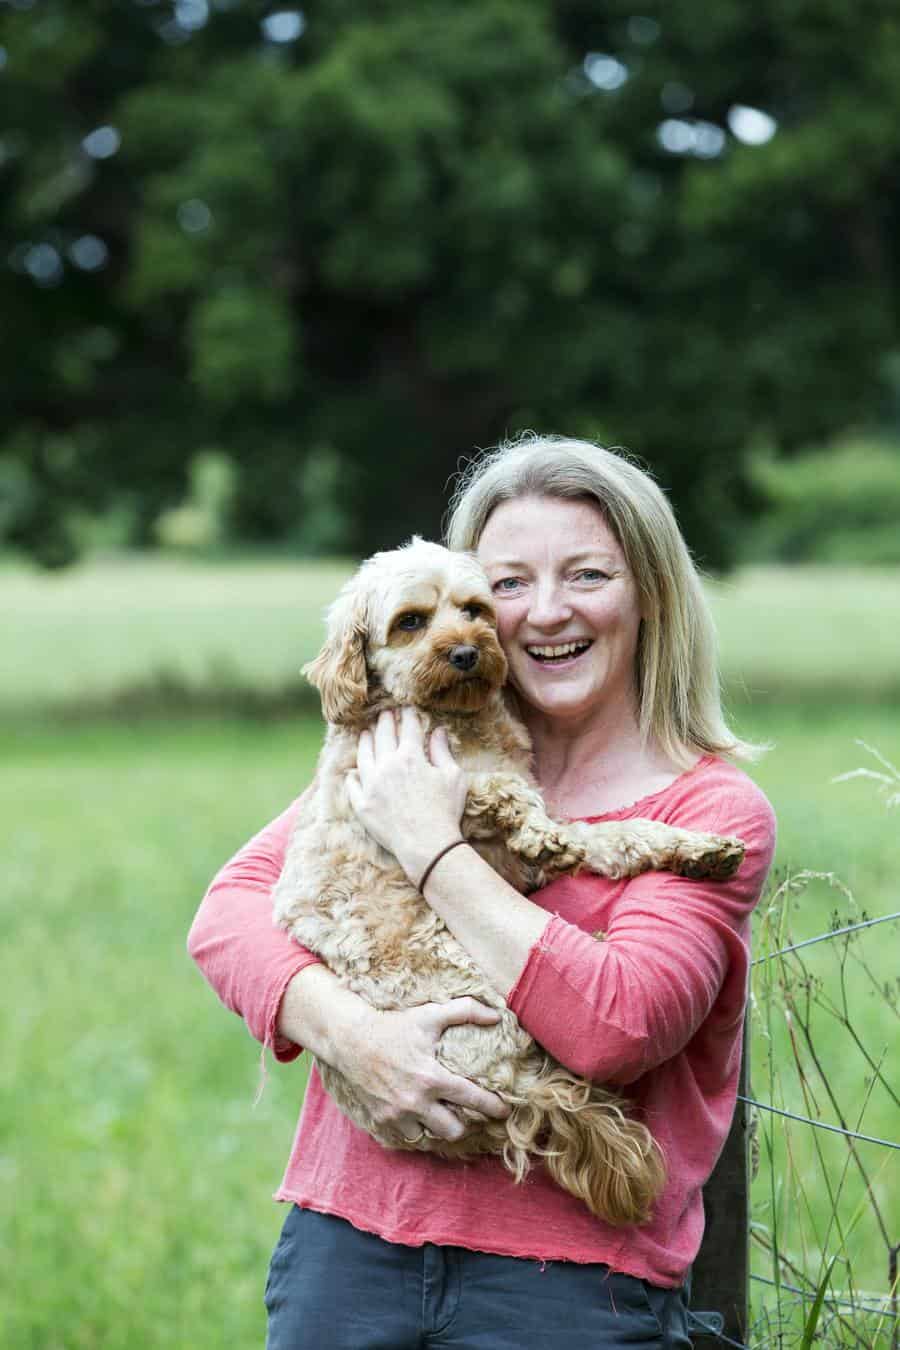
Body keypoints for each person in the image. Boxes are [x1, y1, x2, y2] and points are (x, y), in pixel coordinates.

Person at [188, 434, 776, 1349]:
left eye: (586, 575)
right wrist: (358, 1040)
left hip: (571, 1288)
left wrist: (431, 847)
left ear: (651, 595)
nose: (545, 613)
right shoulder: (410, 745)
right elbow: (228, 917)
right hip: (346, 1250)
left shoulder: (709, 809)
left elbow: (616, 1028)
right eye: (508, 583)